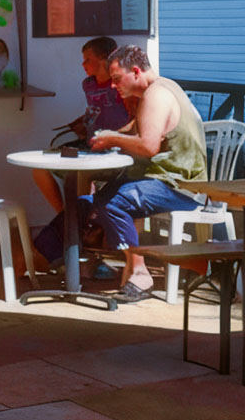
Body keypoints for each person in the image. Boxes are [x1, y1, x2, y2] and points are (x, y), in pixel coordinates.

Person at [85, 44, 210, 303]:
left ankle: (141, 273)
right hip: (178, 182)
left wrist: (112, 140)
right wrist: (113, 136)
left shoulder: (156, 95)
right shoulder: (163, 86)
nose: (112, 86)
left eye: (117, 79)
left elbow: (149, 146)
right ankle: (132, 266)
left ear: (136, 71)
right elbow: (138, 129)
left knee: (111, 202)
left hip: (180, 187)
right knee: (105, 195)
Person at [25, 36, 131, 270]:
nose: (83, 65)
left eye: (88, 60)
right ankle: (71, 221)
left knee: (84, 178)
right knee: (40, 168)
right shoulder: (88, 84)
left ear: (107, 59)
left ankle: (78, 231)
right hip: (89, 144)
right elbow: (95, 111)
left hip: (115, 150)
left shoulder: (120, 85)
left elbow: (133, 120)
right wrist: (84, 122)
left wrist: (113, 136)